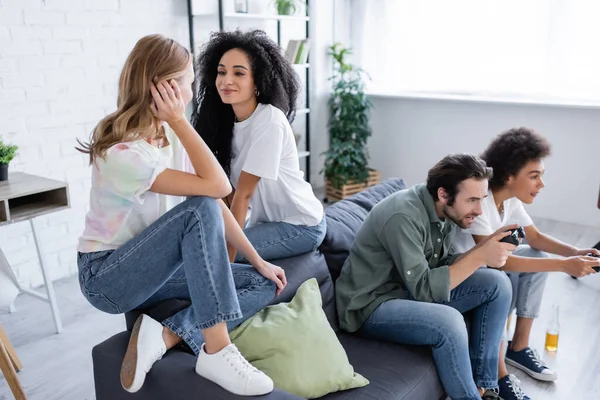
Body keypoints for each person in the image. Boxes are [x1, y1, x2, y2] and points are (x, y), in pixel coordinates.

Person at [75, 34, 287, 396]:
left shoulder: (166, 138)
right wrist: (178, 121)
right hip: (107, 277)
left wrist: (257, 259)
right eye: (188, 82)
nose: (192, 91)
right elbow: (219, 188)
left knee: (263, 281)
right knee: (197, 209)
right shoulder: (123, 151)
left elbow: (215, 200)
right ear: (168, 89)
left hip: (153, 269)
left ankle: (165, 333)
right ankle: (217, 351)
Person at [335, 153, 516, 400]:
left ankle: (486, 388)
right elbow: (424, 289)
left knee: (498, 284)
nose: (479, 210)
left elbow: (443, 264)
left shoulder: (447, 211)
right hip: (371, 305)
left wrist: (484, 250)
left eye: (482, 199)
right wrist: (480, 257)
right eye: (472, 200)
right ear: (443, 194)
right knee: (449, 322)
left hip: (407, 290)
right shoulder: (403, 215)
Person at [453, 127, 600, 400]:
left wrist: (575, 252)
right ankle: (498, 372)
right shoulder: (481, 203)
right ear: (509, 176)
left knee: (536, 255)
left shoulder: (507, 201)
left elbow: (534, 238)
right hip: (468, 280)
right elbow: (498, 263)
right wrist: (565, 266)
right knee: (506, 275)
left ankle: (518, 347)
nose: (541, 184)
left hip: (491, 272)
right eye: (534, 176)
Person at [192, 29, 325, 263]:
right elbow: (228, 194)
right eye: (221, 72)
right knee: (206, 247)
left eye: (239, 73)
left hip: (301, 224)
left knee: (219, 254)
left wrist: (227, 262)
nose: (227, 80)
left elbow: (244, 195)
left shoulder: (269, 120)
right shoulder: (226, 123)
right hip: (267, 223)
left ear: (258, 81)